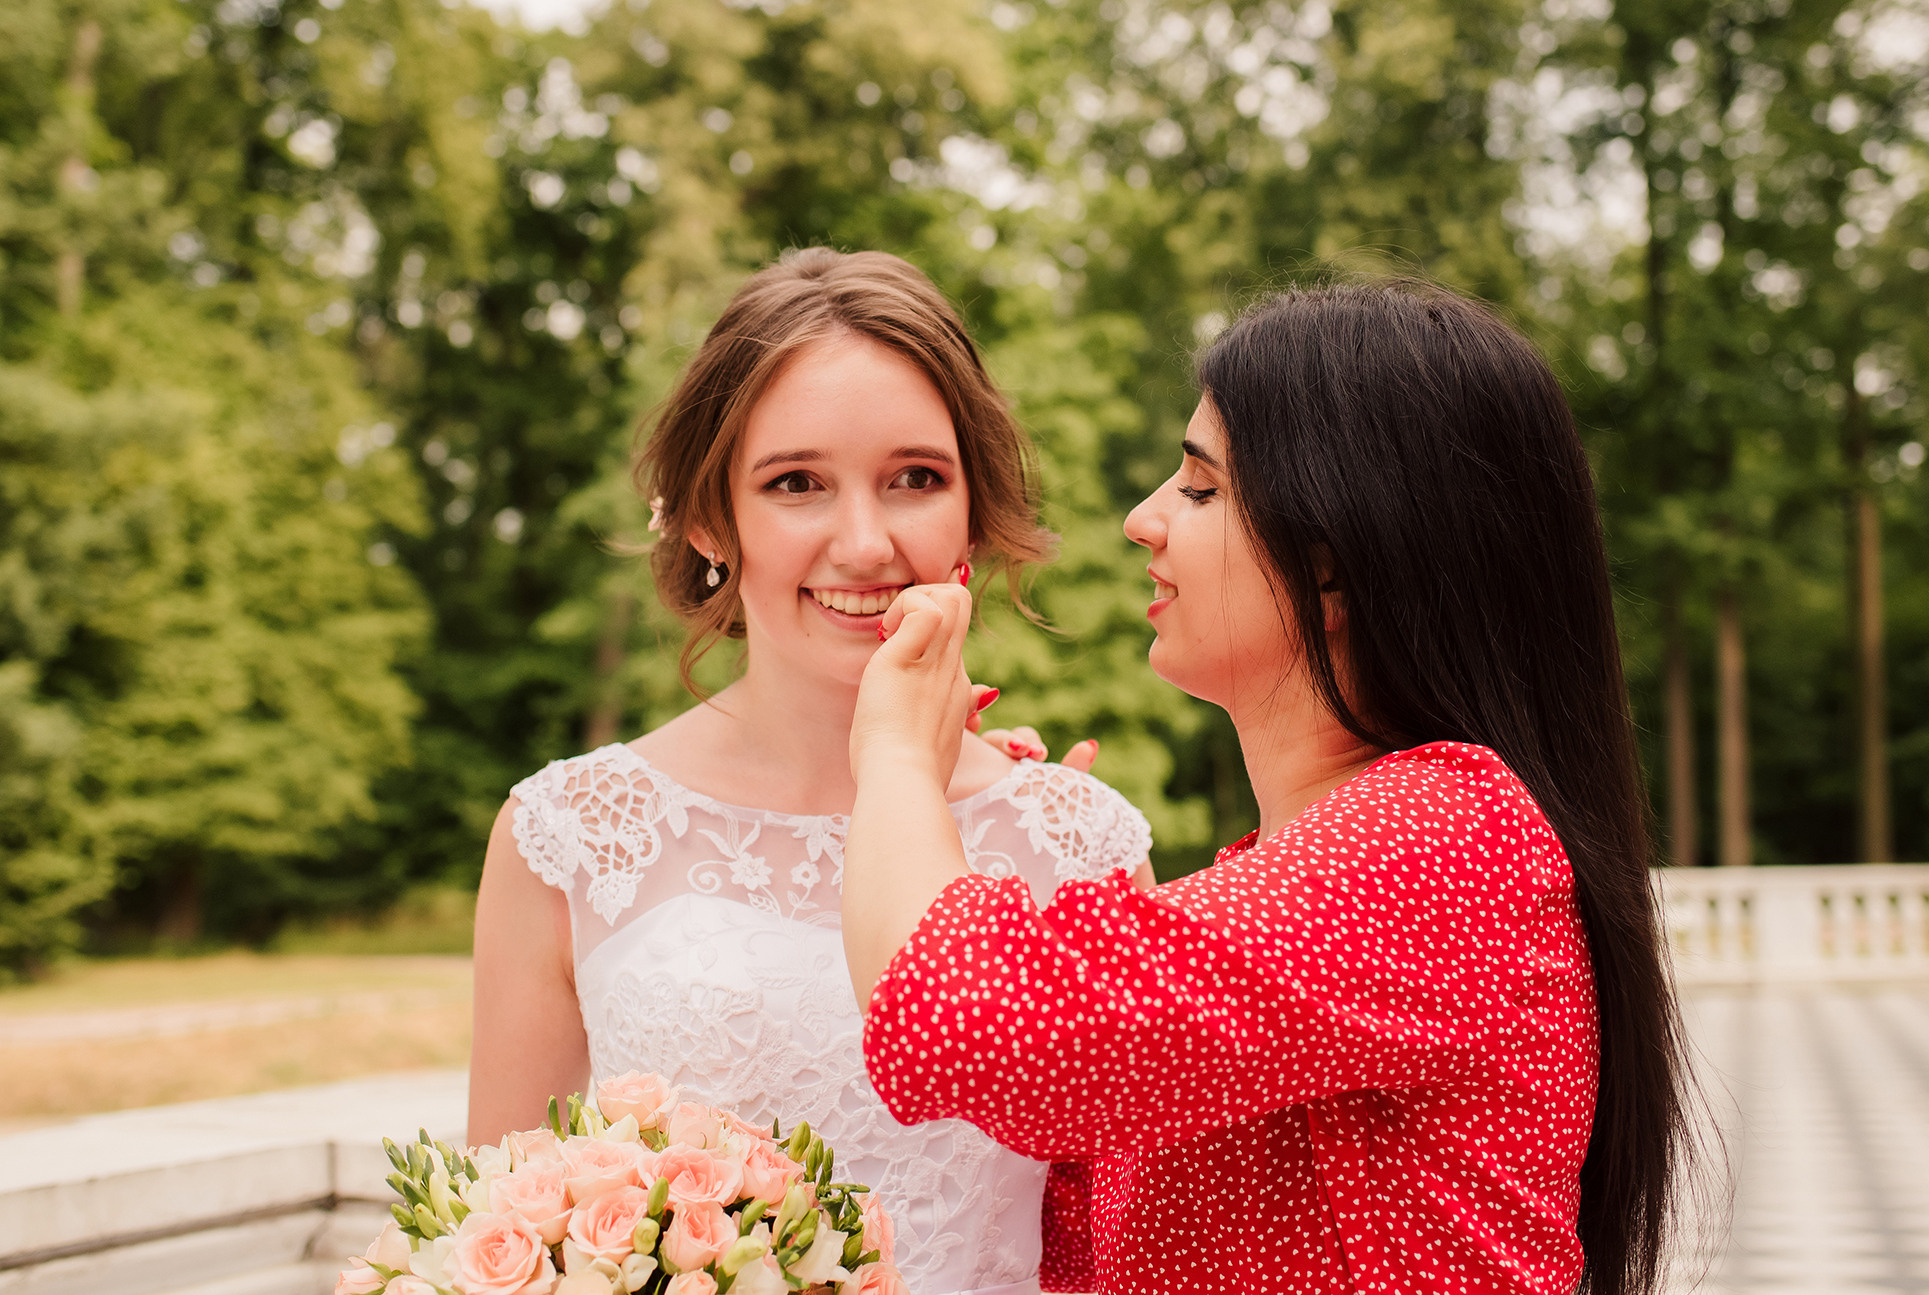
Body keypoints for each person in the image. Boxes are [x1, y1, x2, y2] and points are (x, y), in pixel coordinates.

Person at [840, 280, 1696, 1294]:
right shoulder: (1328, 870)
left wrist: (893, 754)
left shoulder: (1443, 839)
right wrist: (1023, 867)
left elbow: (960, 1026)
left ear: (1331, 568)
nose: (1141, 518)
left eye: (1199, 489)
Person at [466, 248, 1155, 1295]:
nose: (865, 540)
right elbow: (490, 1234)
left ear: (971, 508)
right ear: (708, 517)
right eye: (796, 483)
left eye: (915, 478)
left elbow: (1137, 1241)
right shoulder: (562, 837)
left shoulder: (1082, 842)